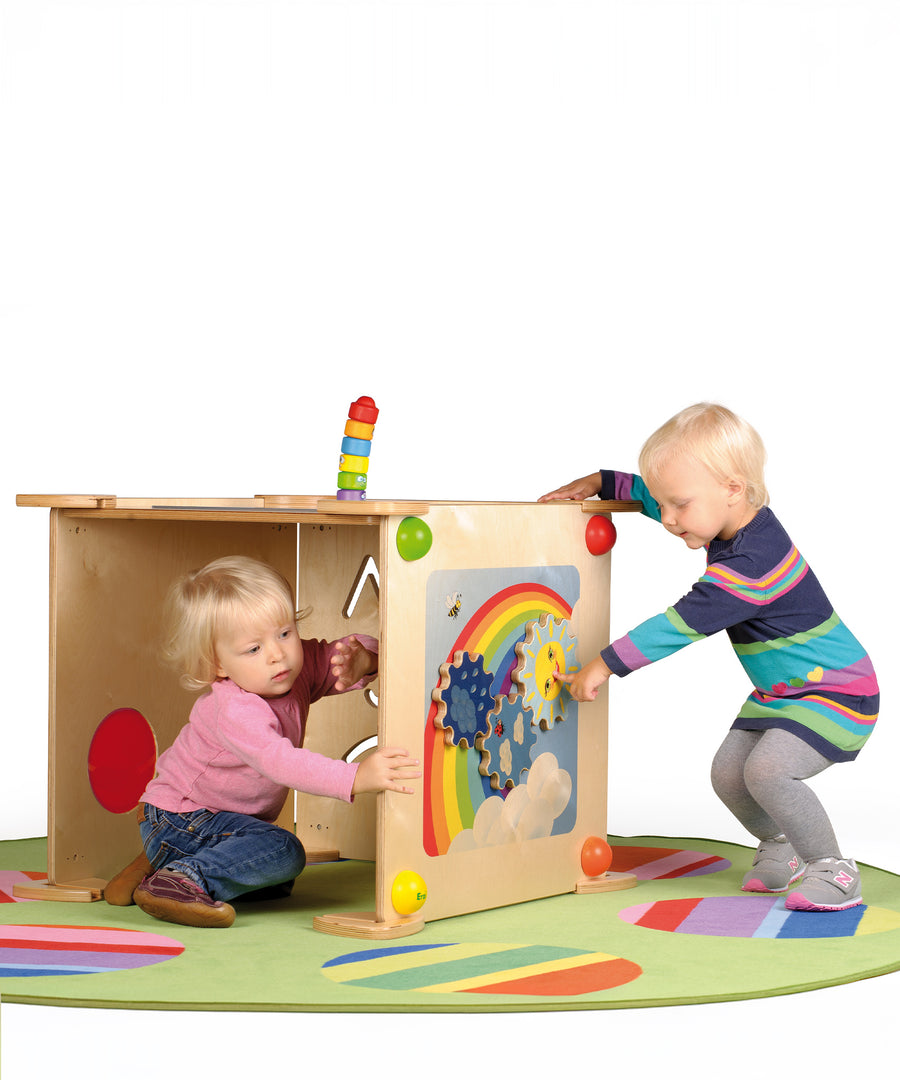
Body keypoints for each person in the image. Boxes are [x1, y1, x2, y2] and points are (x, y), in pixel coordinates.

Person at [539, 403, 879, 911]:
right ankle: (781, 847)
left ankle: (832, 868)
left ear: (732, 489)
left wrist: (604, 664)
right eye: (665, 505)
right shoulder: (725, 520)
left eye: (679, 506)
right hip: (783, 692)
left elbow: (680, 624)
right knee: (728, 773)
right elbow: (651, 497)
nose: (669, 519)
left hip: (837, 691)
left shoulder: (752, 564)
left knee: (766, 772)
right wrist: (598, 482)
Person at [106, 555, 420, 928]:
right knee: (284, 850)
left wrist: (364, 659)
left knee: (276, 879)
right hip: (181, 817)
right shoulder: (236, 709)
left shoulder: (289, 670)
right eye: (254, 649)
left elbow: (341, 653)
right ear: (219, 664)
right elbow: (280, 762)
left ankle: (159, 865)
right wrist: (354, 777)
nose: (277, 654)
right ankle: (179, 880)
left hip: (216, 823)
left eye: (284, 633)